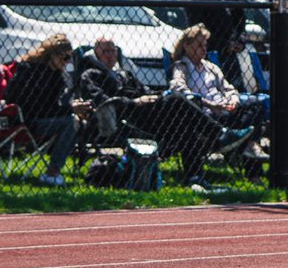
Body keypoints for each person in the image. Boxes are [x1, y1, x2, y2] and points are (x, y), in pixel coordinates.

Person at [77, 36, 252, 184]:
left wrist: (158, 96)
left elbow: (145, 90)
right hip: (126, 115)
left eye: (113, 51)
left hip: (151, 113)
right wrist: (133, 102)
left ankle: (194, 177)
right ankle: (220, 135)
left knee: (185, 125)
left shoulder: (124, 74)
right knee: (177, 99)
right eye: (105, 51)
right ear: (96, 54)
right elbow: (101, 100)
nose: (110, 55)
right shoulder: (91, 74)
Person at [4, 33, 90, 186]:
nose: (67, 62)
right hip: (25, 121)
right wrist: (70, 109)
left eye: (70, 58)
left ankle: (57, 168)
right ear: (52, 55)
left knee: (77, 121)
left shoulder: (55, 74)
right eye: (65, 58)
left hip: (43, 117)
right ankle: (52, 173)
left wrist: (71, 107)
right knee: (70, 123)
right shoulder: (30, 70)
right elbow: (38, 107)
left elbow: (51, 107)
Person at [170, 24, 267, 145]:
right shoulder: (182, 66)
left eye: (205, 45)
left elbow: (227, 88)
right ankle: (241, 147)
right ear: (187, 46)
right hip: (205, 115)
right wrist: (210, 104)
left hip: (224, 108)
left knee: (256, 104)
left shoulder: (210, 67)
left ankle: (250, 146)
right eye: (199, 46)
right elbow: (178, 88)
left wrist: (233, 100)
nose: (204, 49)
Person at [182, 0, 247, 89]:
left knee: (235, 91)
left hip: (230, 56)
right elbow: (197, 27)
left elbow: (240, 17)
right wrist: (223, 44)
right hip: (208, 53)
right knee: (214, 92)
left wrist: (240, 39)